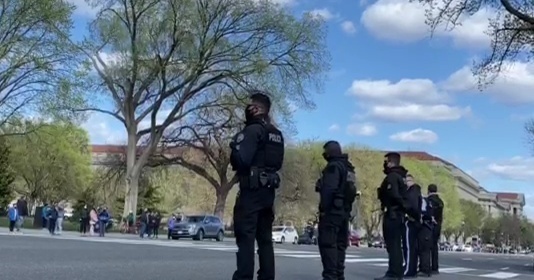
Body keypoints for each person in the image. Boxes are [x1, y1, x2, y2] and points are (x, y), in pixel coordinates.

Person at [229, 91, 284, 280]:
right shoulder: (276, 134)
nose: (247, 107)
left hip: (251, 192)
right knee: (265, 240)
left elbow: (242, 161)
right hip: (268, 193)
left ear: (257, 108)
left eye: (250, 104)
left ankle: (243, 277)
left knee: (246, 238)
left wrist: (235, 148)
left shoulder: (253, 130)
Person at [316, 141, 357, 280]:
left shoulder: (333, 167)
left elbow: (329, 190)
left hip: (332, 212)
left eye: (325, 151)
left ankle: (330, 276)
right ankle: (339, 275)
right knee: (340, 246)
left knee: (328, 245)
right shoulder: (349, 168)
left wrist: (323, 209)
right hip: (344, 212)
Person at [375, 152, 408, 280]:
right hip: (398, 214)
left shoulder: (393, 177)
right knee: (395, 245)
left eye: (386, 161)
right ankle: (396, 272)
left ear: (391, 162)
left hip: (393, 214)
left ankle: (394, 273)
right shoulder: (401, 176)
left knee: (393, 245)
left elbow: (393, 195)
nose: (385, 164)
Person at [402, 174, 422, 278]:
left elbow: (411, 206)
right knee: (412, 247)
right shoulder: (417, 191)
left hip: (410, 220)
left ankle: (409, 269)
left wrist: (407, 213)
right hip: (415, 221)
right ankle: (412, 269)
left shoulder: (412, 192)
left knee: (409, 247)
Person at [427, 184, 444, 274]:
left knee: (426, 247)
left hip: (430, 225)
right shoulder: (440, 201)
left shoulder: (429, 200)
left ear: (428, 191)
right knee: (434, 247)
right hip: (438, 225)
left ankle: (427, 266)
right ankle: (435, 267)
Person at [418, 194, 434, 277]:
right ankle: (425, 269)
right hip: (429, 227)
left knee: (424, 250)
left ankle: (424, 269)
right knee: (426, 250)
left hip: (425, 227)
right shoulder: (429, 202)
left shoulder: (423, 201)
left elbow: (423, 213)